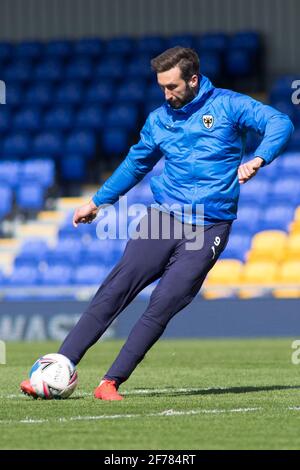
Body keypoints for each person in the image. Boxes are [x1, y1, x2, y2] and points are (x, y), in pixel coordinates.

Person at [20, 47, 294, 400]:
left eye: (172, 86)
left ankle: (110, 383)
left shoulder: (228, 105)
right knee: (116, 288)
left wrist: (259, 158)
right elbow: (136, 164)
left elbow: (280, 122)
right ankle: (58, 365)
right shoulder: (158, 120)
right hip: (162, 220)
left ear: (193, 80)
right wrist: (97, 201)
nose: (166, 94)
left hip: (208, 226)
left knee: (163, 302)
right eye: (161, 87)